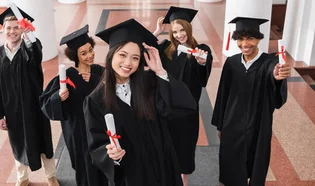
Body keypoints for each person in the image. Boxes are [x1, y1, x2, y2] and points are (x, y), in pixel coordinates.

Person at [83, 19, 197, 186]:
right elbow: (97, 146)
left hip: (163, 164)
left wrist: (160, 71)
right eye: (122, 55)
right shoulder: (95, 101)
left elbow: (184, 106)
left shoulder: (150, 82)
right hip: (132, 173)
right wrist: (111, 155)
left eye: (135, 58)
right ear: (111, 55)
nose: (128, 63)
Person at [211, 17, 291, 186]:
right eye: (240, 39)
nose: (244, 44)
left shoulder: (269, 62)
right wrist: (220, 125)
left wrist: (276, 76)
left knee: (256, 160)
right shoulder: (232, 63)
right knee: (231, 162)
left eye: (250, 38)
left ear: (259, 39)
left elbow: (273, 73)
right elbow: (223, 95)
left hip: (258, 123)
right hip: (232, 123)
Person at [0, 7, 59, 186]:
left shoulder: (29, 49)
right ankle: (22, 178)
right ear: (3, 30)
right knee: (18, 143)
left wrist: (30, 39)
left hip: (34, 105)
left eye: (16, 27)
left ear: (22, 29)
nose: (12, 31)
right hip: (12, 109)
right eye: (9, 28)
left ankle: (50, 175)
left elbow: (36, 55)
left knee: (43, 140)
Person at [39, 25, 107, 186]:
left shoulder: (99, 71)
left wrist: (97, 81)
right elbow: (45, 102)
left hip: (99, 129)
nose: (90, 55)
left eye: (90, 49)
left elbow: (116, 89)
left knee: (102, 165)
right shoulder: (66, 76)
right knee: (84, 167)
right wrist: (58, 97)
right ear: (75, 56)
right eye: (83, 53)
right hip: (77, 131)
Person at [152, 6, 213, 185]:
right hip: (165, 106)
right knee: (165, 144)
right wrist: (157, 31)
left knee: (185, 146)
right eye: (175, 31)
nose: (179, 35)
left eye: (182, 30)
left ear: (188, 28)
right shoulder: (164, 48)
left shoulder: (200, 50)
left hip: (187, 109)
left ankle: (183, 180)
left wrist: (202, 63)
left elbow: (203, 79)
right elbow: (144, 50)